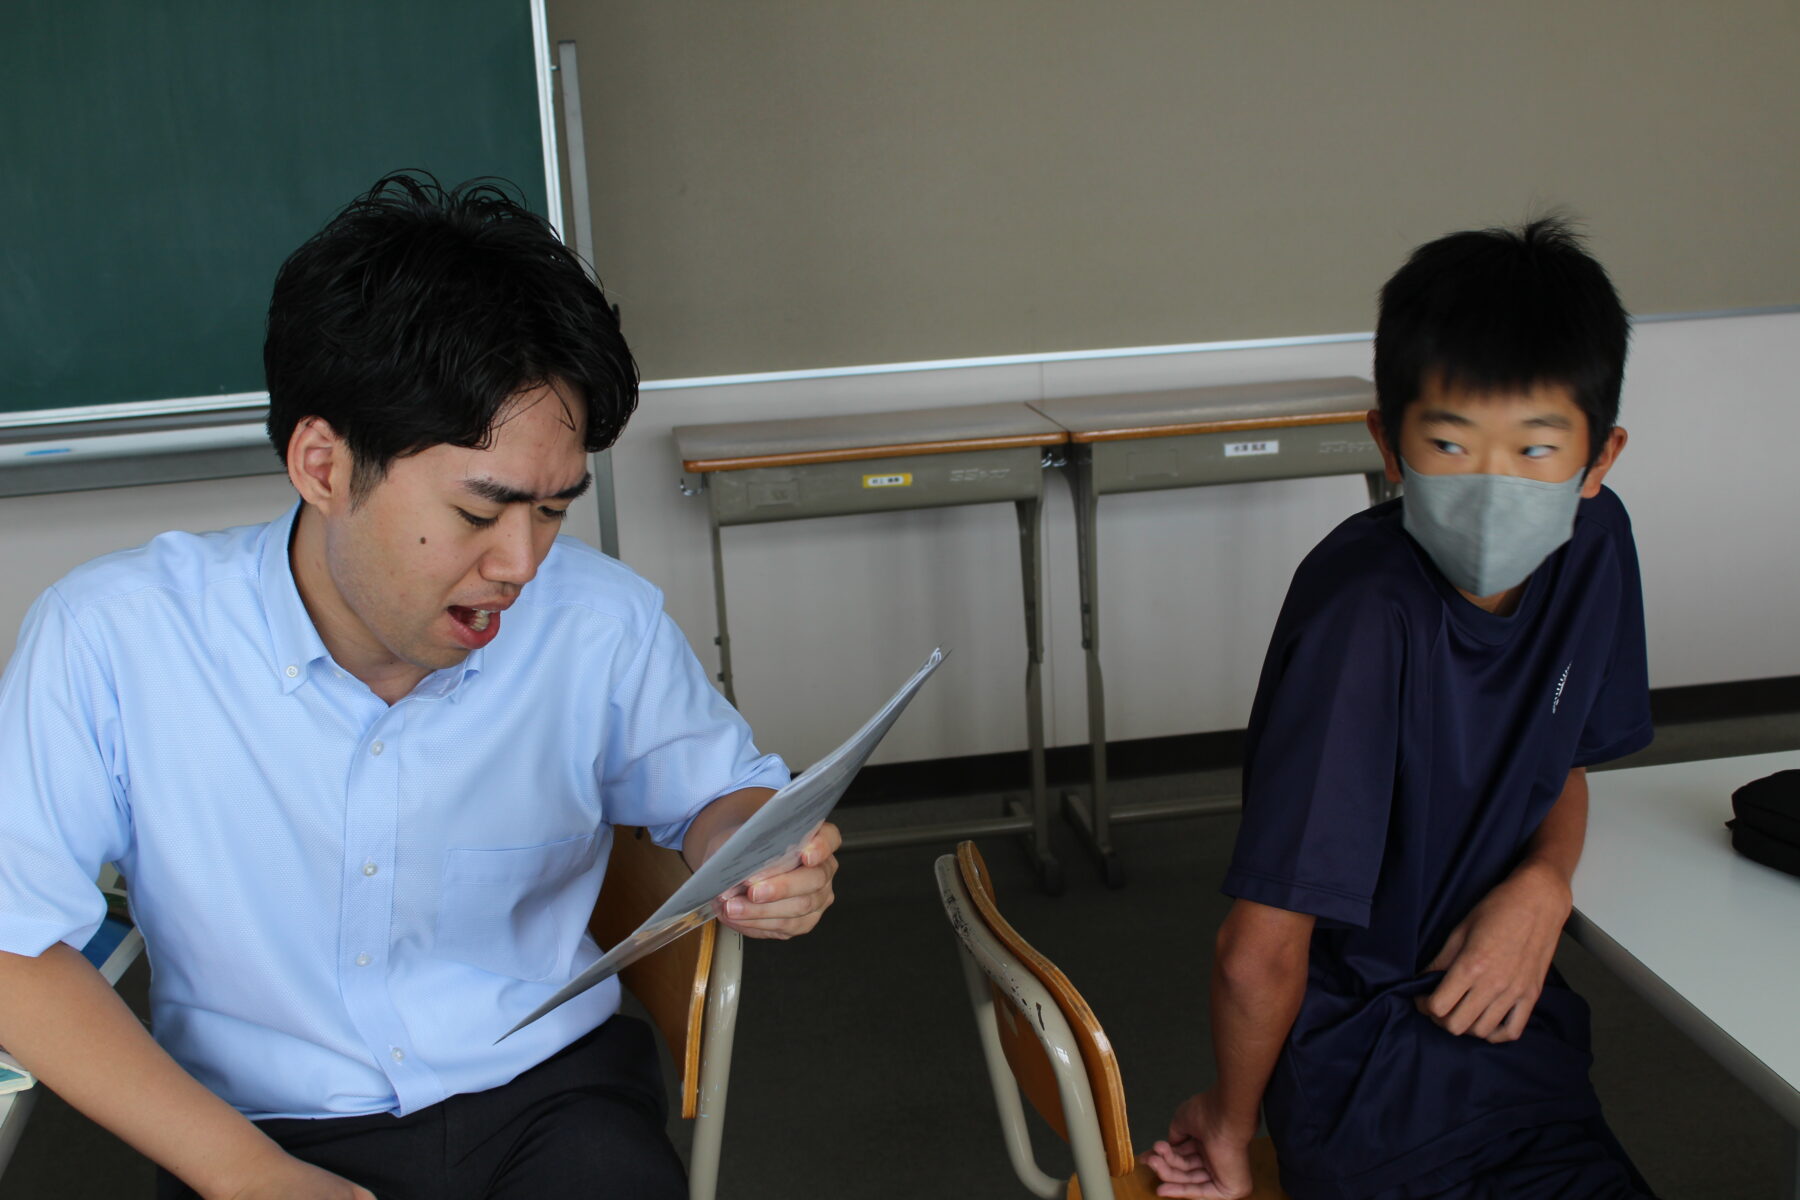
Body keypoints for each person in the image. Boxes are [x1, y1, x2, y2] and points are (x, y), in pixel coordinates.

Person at [0, 174, 840, 1200]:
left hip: (547, 1098)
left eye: (555, 511)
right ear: (321, 463)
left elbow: (723, 796)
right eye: (482, 512)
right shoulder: (114, 639)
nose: (523, 564)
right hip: (256, 1127)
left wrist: (757, 849)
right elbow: (9, 942)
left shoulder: (596, 621)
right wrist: (243, 1172)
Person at [1142, 221, 1657, 1200]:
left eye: (1537, 449)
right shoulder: (1365, 619)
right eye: (1451, 444)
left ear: (1600, 459)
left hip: (1517, 1032)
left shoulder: (1596, 545)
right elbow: (1259, 956)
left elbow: (1566, 755)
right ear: (1388, 443)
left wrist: (1545, 882)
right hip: (1372, 1081)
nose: (1495, 488)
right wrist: (1234, 1126)